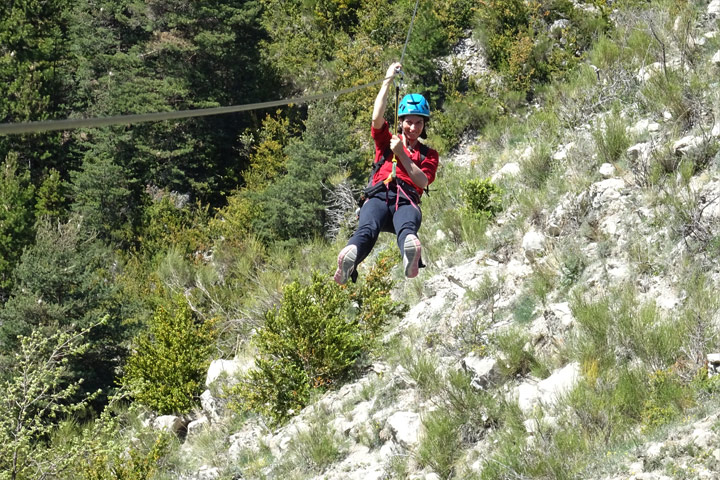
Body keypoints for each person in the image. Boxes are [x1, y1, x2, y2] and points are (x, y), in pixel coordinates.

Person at [334, 62, 439, 285]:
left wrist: (402, 154)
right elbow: (377, 116)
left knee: (407, 227)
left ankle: (410, 254)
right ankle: (350, 256)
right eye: (409, 122)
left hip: (407, 199)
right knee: (367, 229)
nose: (413, 127)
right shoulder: (386, 141)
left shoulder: (428, 154)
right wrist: (387, 80)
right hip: (379, 196)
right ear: (400, 123)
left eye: (419, 123)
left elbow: (422, 180)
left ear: (424, 124)